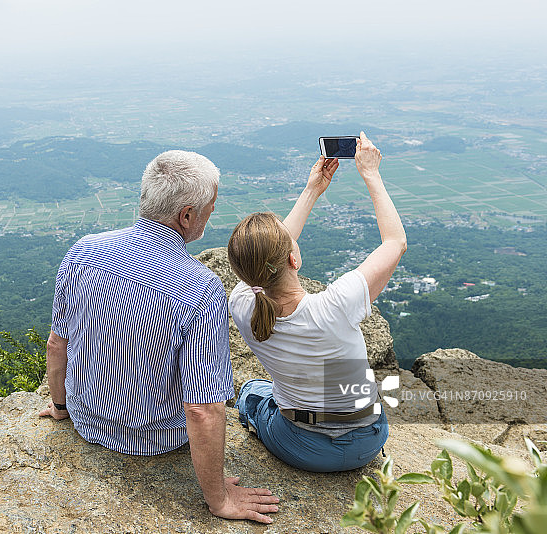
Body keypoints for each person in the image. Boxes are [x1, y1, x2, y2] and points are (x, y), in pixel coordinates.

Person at [39, 150, 280, 523]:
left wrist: (60, 407)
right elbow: (202, 409)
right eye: (210, 207)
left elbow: (58, 344)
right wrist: (219, 499)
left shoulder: (83, 252)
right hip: (158, 440)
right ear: (187, 216)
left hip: (86, 422)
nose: (212, 213)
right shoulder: (200, 288)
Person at [227, 132, 406, 472]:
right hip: (367, 441)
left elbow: (269, 255)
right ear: (293, 259)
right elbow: (395, 242)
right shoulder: (337, 305)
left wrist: (313, 189)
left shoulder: (241, 303)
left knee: (251, 390)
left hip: (299, 446)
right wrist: (371, 174)